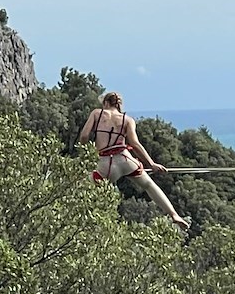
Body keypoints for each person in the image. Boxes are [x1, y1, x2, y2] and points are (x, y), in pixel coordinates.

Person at [79, 91, 189, 230]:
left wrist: (86, 156)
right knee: (149, 185)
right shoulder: (128, 119)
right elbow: (135, 144)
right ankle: (174, 215)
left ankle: (87, 225)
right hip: (126, 160)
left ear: (105, 103)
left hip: (106, 165)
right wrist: (152, 164)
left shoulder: (97, 113)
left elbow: (84, 136)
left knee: (80, 187)